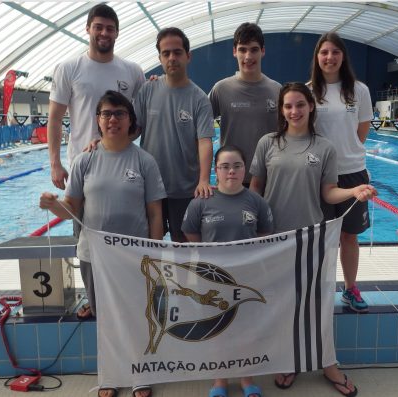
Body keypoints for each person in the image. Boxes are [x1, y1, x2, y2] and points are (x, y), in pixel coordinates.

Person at [249, 82, 376, 397]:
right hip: (275, 239)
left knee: (318, 304)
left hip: (312, 238)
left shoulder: (324, 148)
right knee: (283, 304)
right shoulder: (268, 143)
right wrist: (253, 227)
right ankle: (289, 360)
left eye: (300, 105)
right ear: (282, 110)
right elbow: (255, 189)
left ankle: (328, 364)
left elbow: (328, 193)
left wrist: (354, 191)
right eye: (288, 106)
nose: (294, 111)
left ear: (310, 107)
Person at [39, 91, 165, 397]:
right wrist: (53, 205)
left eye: (120, 113)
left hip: (133, 255)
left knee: (136, 314)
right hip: (94, 255)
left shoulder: (144, 161)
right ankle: (110, 374)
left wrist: (155, 253)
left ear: (130, 120)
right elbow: (72, 207)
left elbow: (155, 213)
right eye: (106, 114)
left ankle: (139, 372)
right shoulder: (85, 160)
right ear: (98, 120)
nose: (113, 119)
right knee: (103, 317)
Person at [182, 145, 273, 397]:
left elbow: (264, 236)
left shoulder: (256, 202)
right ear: (216, 170)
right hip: (212, 280)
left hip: (247, 277)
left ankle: (246, 378)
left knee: (247, 329)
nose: (231, 171)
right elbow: (191, 235)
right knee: (217, 330)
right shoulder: (201, 202)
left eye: (236, 166)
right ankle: (219, 380)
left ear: (245, 170)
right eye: (224, 166)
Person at [308, 32, 374, 313]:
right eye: (324, 52)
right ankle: (319, 289)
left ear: (343, 56)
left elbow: (362, 131)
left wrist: (348, 152)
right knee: (320, 238)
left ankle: (350, 288)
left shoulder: (359, 90)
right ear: (317, 57)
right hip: (318, 174)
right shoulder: (310, 91)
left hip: (352, 172)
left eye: (335, 51)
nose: (330, 57)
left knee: (349, 235)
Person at [47, 4, 144, 191]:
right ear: (87, 29)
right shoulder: (68, 68)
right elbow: (55, 118)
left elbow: (142, 118)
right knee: (80, 210)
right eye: (98, 27)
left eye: (110, 28)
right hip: (82, 162)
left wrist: (116, 142)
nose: (104, 33)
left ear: (117, 33)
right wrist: (55, 164)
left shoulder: (133, 71)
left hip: (122, 162)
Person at [133, 27, 214, 242]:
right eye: (166, 53)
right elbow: (133, 130)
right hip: (150, 187)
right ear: (160, 58)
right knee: (150, 248)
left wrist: (204, 180)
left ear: (188, 56)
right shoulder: (147, 90)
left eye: (177, 52)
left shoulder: (199, 99)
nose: (172, 58)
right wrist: (104, 142)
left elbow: (205, 141)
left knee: (185, 248)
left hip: (185, 190)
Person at [208, 22, 281, 187]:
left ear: (263, 51)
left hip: (268, 179)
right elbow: (198, 130)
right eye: (242, 50)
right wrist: (204, 178)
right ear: (234, 51)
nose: (248, 57)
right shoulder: (221, 89)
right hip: (231, 180)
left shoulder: (277, 90)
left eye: (254, 50)